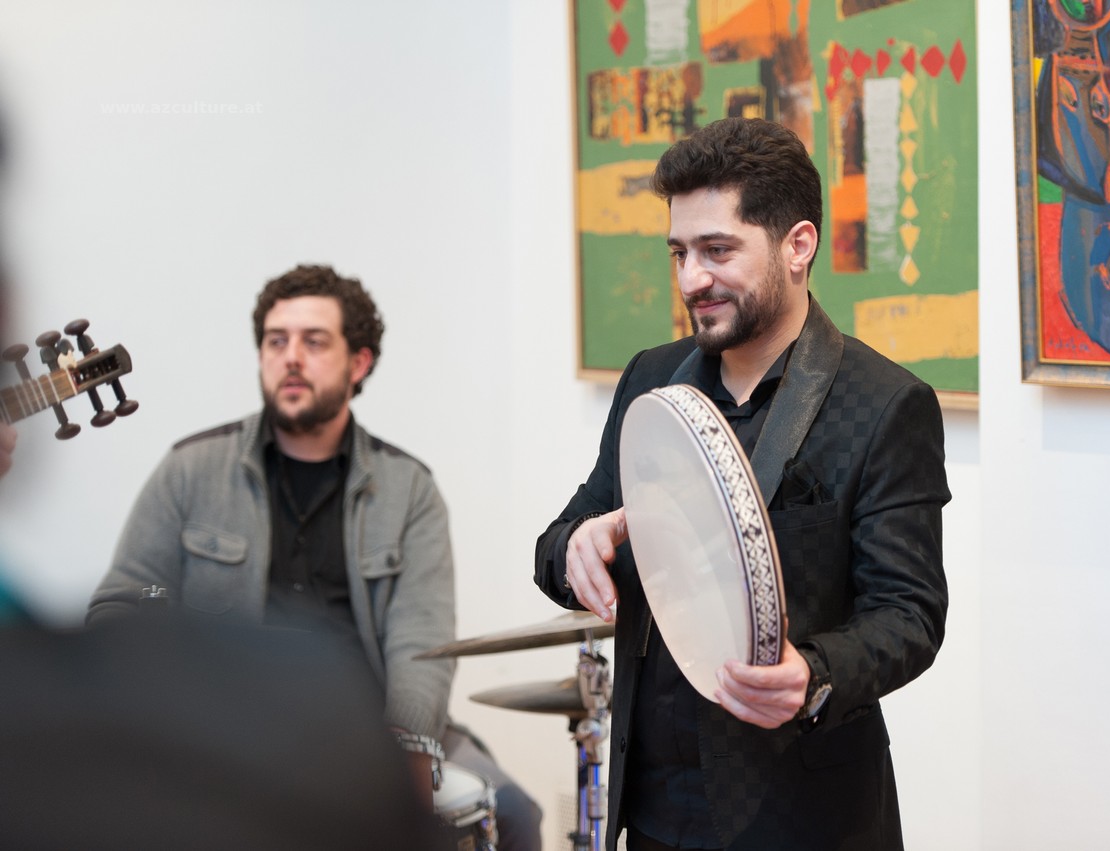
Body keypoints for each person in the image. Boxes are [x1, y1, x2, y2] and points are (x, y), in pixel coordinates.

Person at [534, 118, 950, 851]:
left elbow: (909, 615)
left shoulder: (886, 404)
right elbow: (560, 541)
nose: (691, 278)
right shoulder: (649, 378)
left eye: (717, 250)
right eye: (680, 252)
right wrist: (575, 549)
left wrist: (811, 674)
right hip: (652, 812)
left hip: (804, 819)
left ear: (798, 245)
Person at [89, 264, 541, 850]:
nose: (291, 358)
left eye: (315, 341)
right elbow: (121, 601)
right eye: (276, 341)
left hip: (369, 733)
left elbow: (422, 645)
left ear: (359, 363)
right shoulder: (189, 470)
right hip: (223, 730)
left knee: (515, 814)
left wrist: (401, 746)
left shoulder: (410, 489)